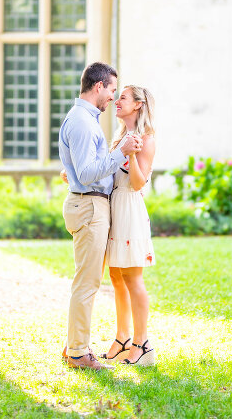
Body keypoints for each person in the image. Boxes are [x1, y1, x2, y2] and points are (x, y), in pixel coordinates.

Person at [58, 62, 142, 371]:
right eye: (111, 90)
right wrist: (121, 151)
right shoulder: (82, 121)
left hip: (90, 205)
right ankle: (79, 352)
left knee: (86, 280)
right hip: (89, 207)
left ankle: (74, 345)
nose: (113, 97)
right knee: (87, 283)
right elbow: (89, 171)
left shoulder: (84, 119)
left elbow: (82, 167)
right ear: (98, 87)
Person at [100, 85, 157, 367]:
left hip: (130, 210)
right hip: (114, 207)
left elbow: (137, 183)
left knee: (133, 279)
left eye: (122, 97)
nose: (116, 101)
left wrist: (132, 155)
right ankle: (122, 337)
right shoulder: (119, 137)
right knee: (115, 276)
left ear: (138, 104)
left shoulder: (146, 140)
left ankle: (142, 343)